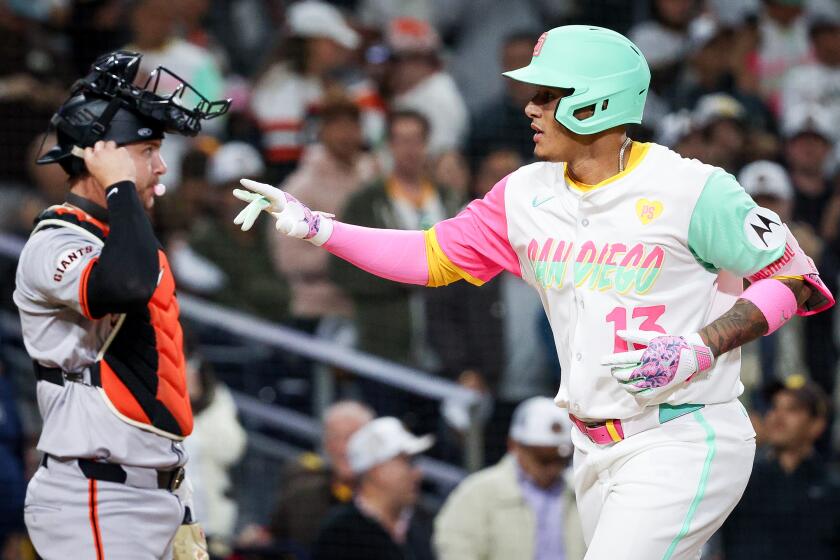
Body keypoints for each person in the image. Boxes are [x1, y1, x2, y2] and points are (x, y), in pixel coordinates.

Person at [233, 25, 835, 559]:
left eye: (548, 94)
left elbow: (796, 280)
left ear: (598, 101)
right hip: (592, 446)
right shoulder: (524, 193)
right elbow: (431, 256)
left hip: (684, 432)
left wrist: (700, 347)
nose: (531, 107)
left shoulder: (693, 188)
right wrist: (319, 227)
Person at [13, 51, 229, 559]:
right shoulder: (53, 242)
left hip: (159, 489)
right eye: (148, 150)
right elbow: (124, 284)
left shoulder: (122, 234)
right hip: (97, 495)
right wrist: (120, 183)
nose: (160, 168)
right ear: (97, 156)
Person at [434, 396, 586, 560]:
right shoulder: (478, 493)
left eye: (561, 460)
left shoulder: (581, 491)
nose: (553, 468)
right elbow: (455, 547)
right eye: (542, 459)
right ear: (514, 445)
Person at [720, 375, 840, 559]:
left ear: (817, 424)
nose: (778, 416)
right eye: (774, 407)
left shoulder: (831, 489)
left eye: (792, 409)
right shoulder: (742, 480)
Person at [310, 416, 435, 560]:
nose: (417, 473)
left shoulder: (424, 523)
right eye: (407, 462)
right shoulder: (340, 533)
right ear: (377, 470)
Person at [269, 400, 374, 550]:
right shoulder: (300, 497)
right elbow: (274, 542)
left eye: (353, 437)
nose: (343, 448)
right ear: (325, 444)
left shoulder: (392, 502)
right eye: (335, 437)